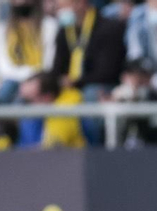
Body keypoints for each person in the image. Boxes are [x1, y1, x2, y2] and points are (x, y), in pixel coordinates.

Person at [50, 0, 128, 146]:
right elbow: (57, 69)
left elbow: (108, 72)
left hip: (101, 84)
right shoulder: (64, 31)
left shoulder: (109, 28)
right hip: (71, 86)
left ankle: (93, 148)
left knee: (91, 94)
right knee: (37, 95)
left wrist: (76, 82)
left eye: (63, 7)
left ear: (80, 4)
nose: (59, 11)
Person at [0, 0, 58, 104]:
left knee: (24, 97)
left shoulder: (50, 26)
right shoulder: (1, 30)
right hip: (12, 79)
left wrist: (30, 81)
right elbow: (2, 65)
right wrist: (23, 78)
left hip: (39, 79)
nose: (21, 3)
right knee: (6, 89)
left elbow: (48, 62)